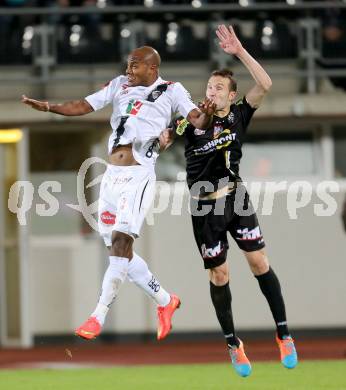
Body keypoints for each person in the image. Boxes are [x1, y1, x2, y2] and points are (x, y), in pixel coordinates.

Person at [22, 46, 216, 342]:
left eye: (135, 66)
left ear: (152, 68)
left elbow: (197, 120)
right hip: (111, 177)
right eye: (128, 65)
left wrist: (207, 115)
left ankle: (97, 315)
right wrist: (50, 108)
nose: (129, 70)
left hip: (137, 177)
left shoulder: (172, 90)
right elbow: (83, 105)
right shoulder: (119, 85)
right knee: (118, 251)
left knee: (121, 244)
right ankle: (166, 301)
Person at [171, 25, 298, 377]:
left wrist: (240, 51)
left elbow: (267, 85)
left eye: (218, 88)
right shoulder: (192, 120)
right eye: (209, 86)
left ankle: (284, 334)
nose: (211, 91)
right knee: (220, 274)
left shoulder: (240, 114)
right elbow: (167, 137)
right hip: (204, 206)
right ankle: (233, 344)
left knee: (258, 262)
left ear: (231, 95)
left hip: (235, 197)